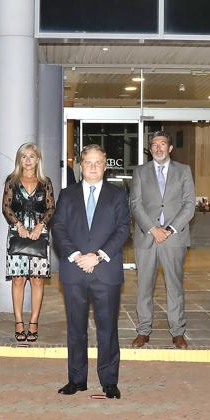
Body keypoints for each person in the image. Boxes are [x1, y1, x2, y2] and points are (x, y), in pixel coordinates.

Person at [51, 144, 131, 399]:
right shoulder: (66, 195)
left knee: (107, 328)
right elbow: (59, 229)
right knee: (76, 328)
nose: (93, 167)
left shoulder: (118, 195)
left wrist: (97, 256)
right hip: (74, 271)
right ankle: (76, 379)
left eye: (98, 162)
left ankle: (109, 381)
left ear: (105, 166)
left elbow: (123, 229)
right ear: (81, 166)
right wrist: (77, 256)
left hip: (105, 271)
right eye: (88, 163)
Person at [129, 130, 196, 349]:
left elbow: (189, 204)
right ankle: (143, 331)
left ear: (170, 148)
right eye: (154, 144)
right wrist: (152, 229)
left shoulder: (184, 171)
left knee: (175, 286)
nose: (158, 148)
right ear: (151, 149)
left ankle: (177, 332)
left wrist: (169, 229)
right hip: (146, 237)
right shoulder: (140, 172)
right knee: (144, 287)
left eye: (162, 144)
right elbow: (135, 204)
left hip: (174, 238)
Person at [2, 142, 56, 343]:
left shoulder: (45, 182)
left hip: (39, 234)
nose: (28, 160)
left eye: (31, 156)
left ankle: (33, 322)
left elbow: (51, 208)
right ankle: (18, 321)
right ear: (19, 159)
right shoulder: (12, 180)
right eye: (24, 156)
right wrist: (19, 226)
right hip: (17, 233)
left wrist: (41, 225)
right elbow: (6, 207)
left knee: (37, 279)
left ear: (38, 159)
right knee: (18, 279)